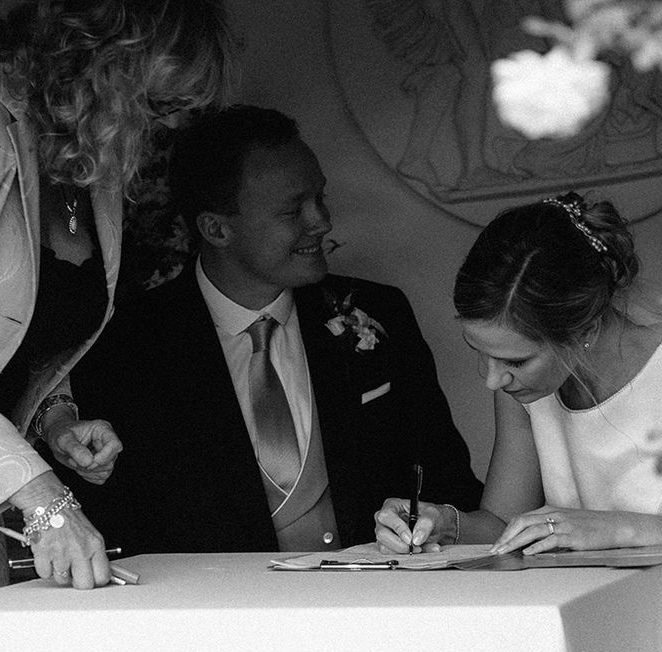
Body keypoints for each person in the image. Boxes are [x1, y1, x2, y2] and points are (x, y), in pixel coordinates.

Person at [0, 0, 235, 609]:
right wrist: (44, 497)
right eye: (160, 106)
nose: (171, 132)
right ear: (100, 62)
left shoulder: (88, 159)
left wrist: (55, 420)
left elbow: (17, 329)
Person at [56, 105, 483, 555]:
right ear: (216, 228)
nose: (321, 221)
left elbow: (445, 481)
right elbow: (113, 523)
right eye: (292, 210)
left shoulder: (381, 312)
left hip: (381, 602)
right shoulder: (127, 345)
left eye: (320, 198)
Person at [375, 191, 662, 556]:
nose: (492, 380)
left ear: (585, 330)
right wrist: (444, 522)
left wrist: (620, 527)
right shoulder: (523, 389)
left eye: (517, 361)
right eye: (480, 353)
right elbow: (504, 523)